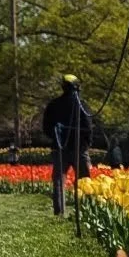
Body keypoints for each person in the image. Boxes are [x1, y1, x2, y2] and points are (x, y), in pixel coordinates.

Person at [42, 75, 92, 217]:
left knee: (59, 180)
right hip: (79, 148)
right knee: (84, 181)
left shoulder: (53, 105)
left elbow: (46, 127)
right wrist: (86, 144)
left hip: (59, 148)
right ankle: (86, 211)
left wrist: (56, 137)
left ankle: (59, 212)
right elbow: (89, 127)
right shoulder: (82, 105)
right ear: (76, 87)